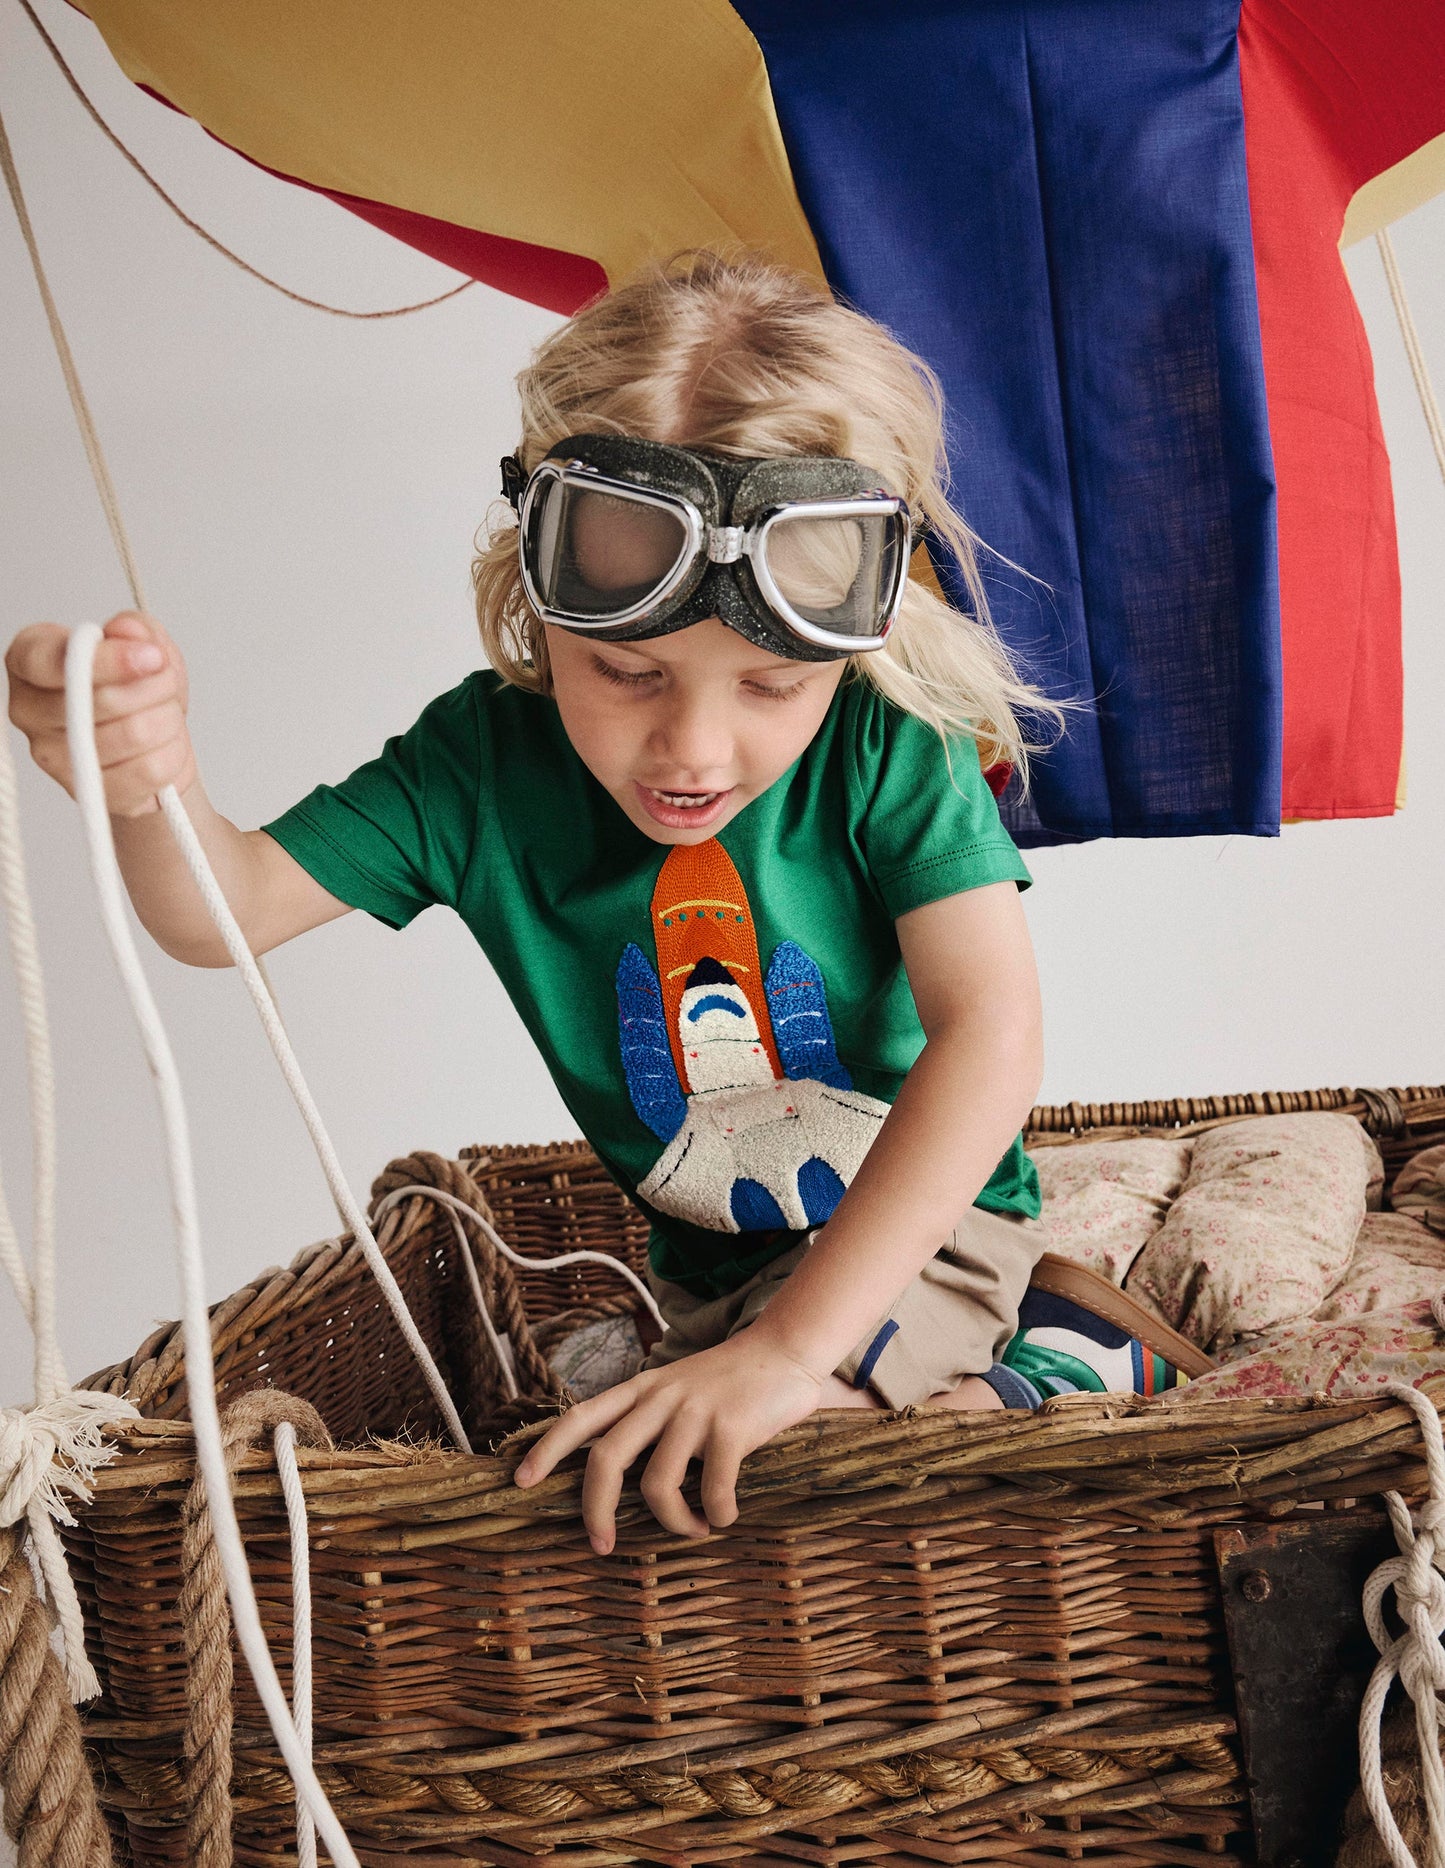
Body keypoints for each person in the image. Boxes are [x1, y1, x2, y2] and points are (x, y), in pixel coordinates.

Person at [5, 251, 1204, 1558]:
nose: (691, 751)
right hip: (716, 1283)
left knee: (806, 1481)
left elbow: (992, 1036)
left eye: (766, 688)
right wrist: (142, 781)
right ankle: (984, 1357)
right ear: (535, 594)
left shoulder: (883, 745)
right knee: (656, 1482)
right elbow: (214, 914)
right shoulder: (479, 767)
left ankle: (1063, 1363)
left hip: (925, 1235)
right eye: (627, 673)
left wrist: (800, 1350)